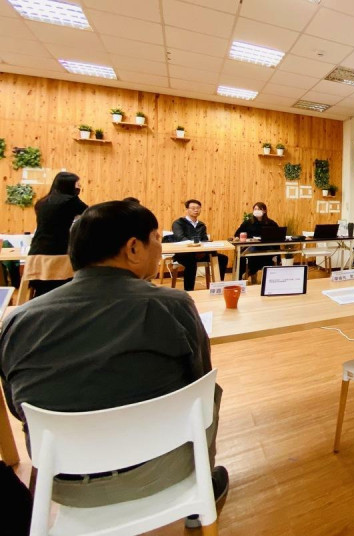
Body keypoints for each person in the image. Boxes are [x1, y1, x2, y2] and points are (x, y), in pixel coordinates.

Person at [0, 200, 228, 525]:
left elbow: (16, 406)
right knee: (209, 392)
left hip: (63, 483)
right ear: (133, 248)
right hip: (163, 469)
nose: (160, 251)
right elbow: (199, 380)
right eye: (156, 241)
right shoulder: (172, 305)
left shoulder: (17, 320)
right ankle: (199, 499)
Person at [27, 171, 87, 296]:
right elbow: (90, 213)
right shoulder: (71, 201)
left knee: (41, 292)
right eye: (77, 184)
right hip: (58, 253)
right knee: (61, 292)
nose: (79, 187)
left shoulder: (42, 202)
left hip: (36, 252)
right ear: (69, 185)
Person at [172, 199, 229, 290]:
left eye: (198, 208)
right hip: (183, 254)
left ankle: (218, 286)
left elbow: (204, 240)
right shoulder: (178, 223)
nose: (196, 210)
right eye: (193, 208)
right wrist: (196, 248)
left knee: (222, 259)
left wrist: (203, 250)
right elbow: (180, 238)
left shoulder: (201, 225)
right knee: (191, 262)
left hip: (201, 253)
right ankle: (189, 291)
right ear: (187, 209)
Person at [231, 202, 279, 279]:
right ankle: (246, 274)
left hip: (266, 247)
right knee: (248, 255)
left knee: (264, 256)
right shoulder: (248, 222)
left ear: (265, 211)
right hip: (251, 246)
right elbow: (237, 233)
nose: (257, 211)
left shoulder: (271, 223)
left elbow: (278, 235)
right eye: (255, 209)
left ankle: (251, 271)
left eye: (259, 209)